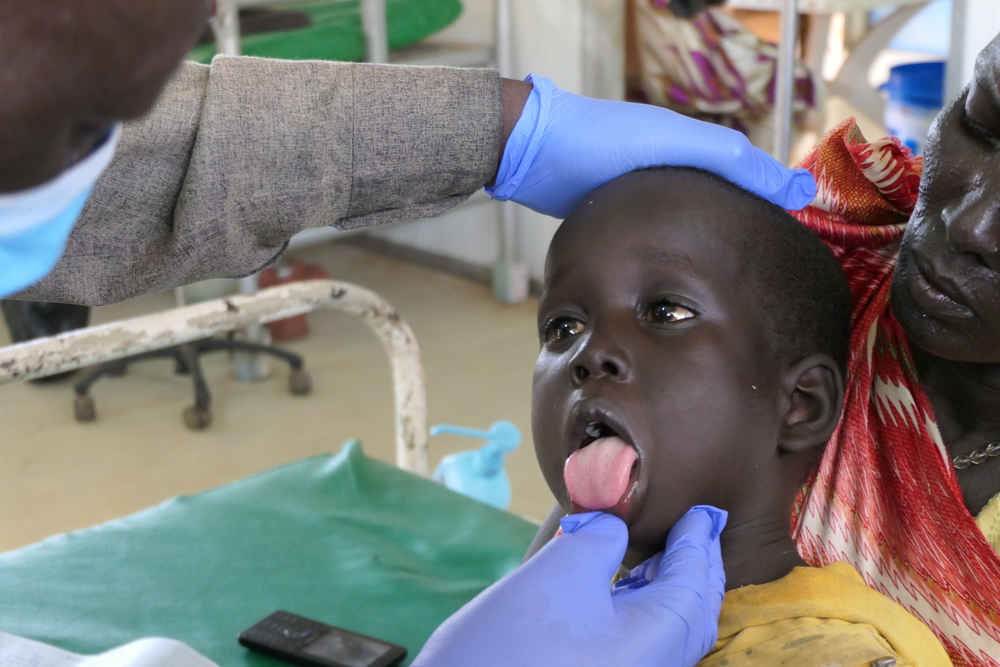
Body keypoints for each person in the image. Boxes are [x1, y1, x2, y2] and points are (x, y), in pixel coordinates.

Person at [521, 29, 1000, 667]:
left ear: (806, 402)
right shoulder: (791, 266)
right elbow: (588, 516)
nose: (973, 226)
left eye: (665, 313)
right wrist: (505, 135)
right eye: (982, 126)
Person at [522, 167, 946, 666]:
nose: (589, 354)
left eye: (665, 313)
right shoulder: (550, 586)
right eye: (562, 326)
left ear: (800, 405)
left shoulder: (836, 656)